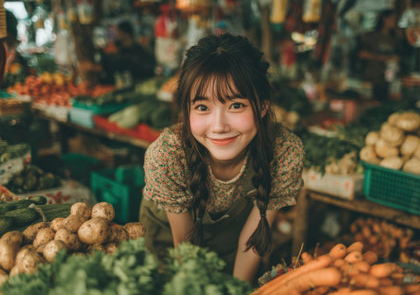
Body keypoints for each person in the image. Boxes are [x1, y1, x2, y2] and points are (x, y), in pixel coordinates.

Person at [139, 33, 305, 283]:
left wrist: (237, 289)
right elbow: (185, 250)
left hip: (234, 247)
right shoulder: (166, 155)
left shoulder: (285, 151)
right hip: (170, 250)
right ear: (187, 110)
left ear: (261, 107)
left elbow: (250, 245)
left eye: (236, 105)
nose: (219, 126)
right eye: (202, 107)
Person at [357, 9, 403, 101]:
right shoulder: (371, 36)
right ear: (384, 19)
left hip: (388, 80)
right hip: (371, 79)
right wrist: (384, 58)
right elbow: (362, 54)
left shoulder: (394, 38)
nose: (394, 22)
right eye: (393, 19)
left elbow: (398, 57)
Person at [100, 20, 155, 85]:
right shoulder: (118, 49)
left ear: (126, 34)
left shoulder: (138, 51)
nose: (117, 35)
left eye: (119, 32)